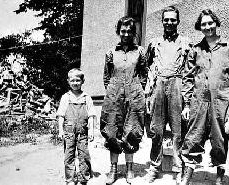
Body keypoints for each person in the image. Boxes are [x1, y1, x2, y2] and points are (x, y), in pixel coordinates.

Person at [180, 9, 229, 185]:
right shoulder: (195, 50)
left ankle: (219, 178)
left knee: (221, 140)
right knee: (193, 138)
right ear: (199, 27)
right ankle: (186, 177)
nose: (207, 26)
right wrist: (187, 104)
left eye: (210, 23)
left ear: (216, 24)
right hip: (199, 102)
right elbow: (187, 78)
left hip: (223, 102)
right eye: (204, 24)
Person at [144, 5, 193, 184]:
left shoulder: (186, 43)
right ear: (162, 21)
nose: (169, 22)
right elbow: (147, 67)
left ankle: (179, 168)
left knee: (178, 132)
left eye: (173, 19)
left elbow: (191, 72)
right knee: (156, 131)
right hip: (158, 86)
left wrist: (187, 100)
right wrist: (148, 92)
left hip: (177, 85)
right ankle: (154, 168)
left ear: (178, 21)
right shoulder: (154, 43)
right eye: (166, 19)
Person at [100, 16, 147, 185]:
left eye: (129, 31)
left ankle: (129, 169)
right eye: (123, 31)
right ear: (118, 32)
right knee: (112, 131)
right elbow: (106, 77)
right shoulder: (111, 52)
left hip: (134, 96)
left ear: (134, 32)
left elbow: (144, 74)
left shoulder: (140, 51)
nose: (126, 34)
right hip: (114, 97)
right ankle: (113, 169)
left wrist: (136, 90)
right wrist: (115, 91)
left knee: (132, 131)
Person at [57, 68, 96, 185]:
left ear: (82, 81)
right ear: (68, 81)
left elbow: (91, 116)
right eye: (72, 80)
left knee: (84, 155)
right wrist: (60, 131)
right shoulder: (65, 97)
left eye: (78, 80)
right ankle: (70, 179)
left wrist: (92, 131)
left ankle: (85, 177)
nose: (75, 83)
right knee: (69, 156)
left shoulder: (86, 97)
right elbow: (61, 116)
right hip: (68, 133)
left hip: (83, 132)